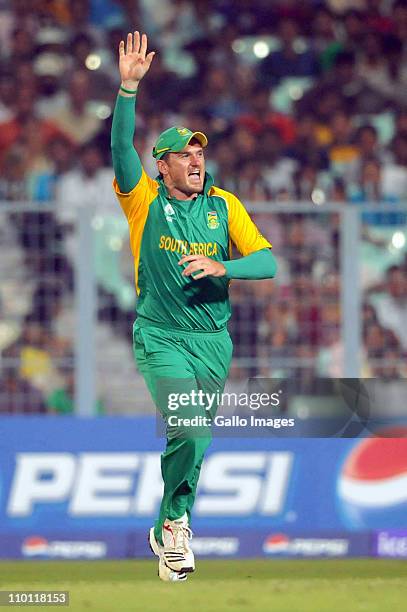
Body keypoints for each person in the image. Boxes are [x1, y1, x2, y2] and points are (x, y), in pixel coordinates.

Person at [111, 32, 277, 582]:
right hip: (160, 334)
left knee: (197, 434)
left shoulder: (224, 205)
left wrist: (223, 265)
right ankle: (179, 522)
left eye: (200, 152)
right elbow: (118, 150)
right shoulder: (142, 202)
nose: (195, 160)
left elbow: (268, 262)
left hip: (214, 340)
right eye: (184, 154)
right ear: (161, 165)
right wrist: (128, 88)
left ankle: (166, 524)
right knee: (187, 421)